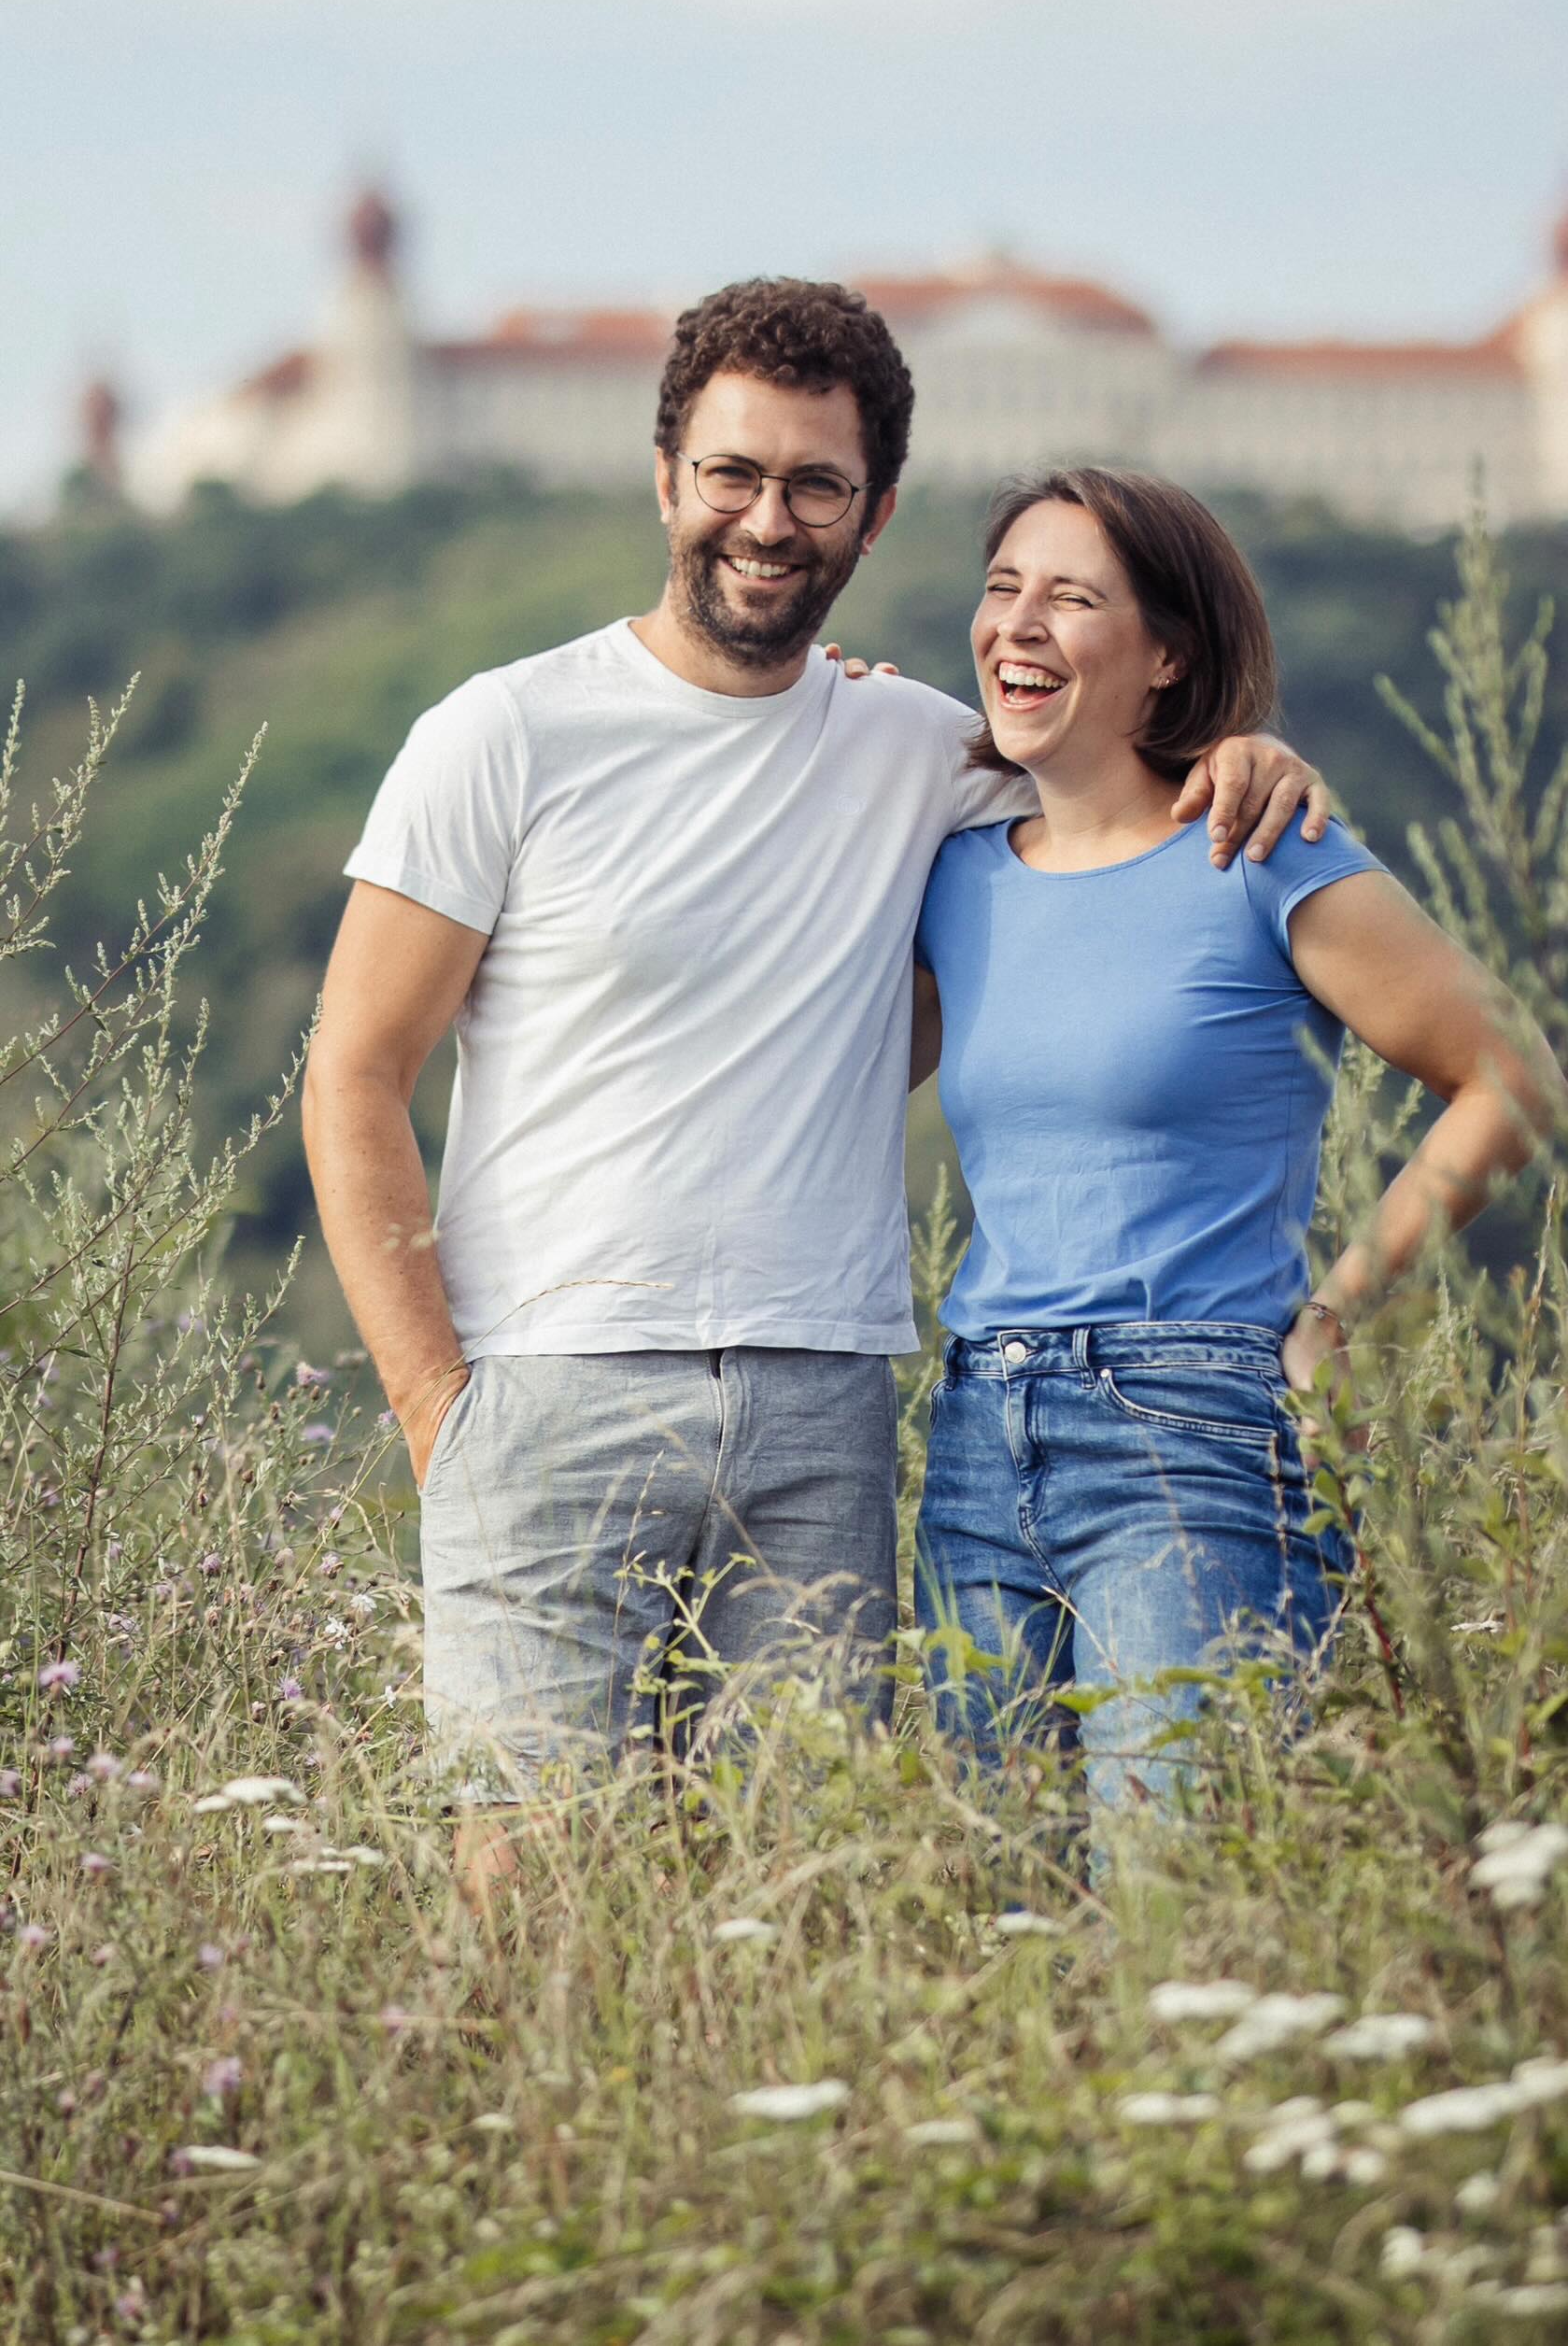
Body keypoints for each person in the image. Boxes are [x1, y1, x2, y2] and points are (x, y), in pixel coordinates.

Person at [302, 286, 1326, 1840]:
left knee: (796, 1904)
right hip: (541, 1391)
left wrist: (1243, 753)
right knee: (524, 1905)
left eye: (813, 488)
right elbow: (354, 1070)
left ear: (873, 515)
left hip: (823, 1408)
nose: (765, 520)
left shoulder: (927, 753)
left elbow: (1116, 808)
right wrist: (438, 1409)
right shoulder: (502, 736)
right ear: (666, 478)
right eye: (732, 475)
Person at [911, 464, 1564, 1821]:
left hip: (1192, 1431)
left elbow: (1514, 1079)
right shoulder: (954, 869)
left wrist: (1328, 1319)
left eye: (1071, 598)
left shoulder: (1257, 844)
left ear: (1165, 656)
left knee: (1173, 1898)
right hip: (979, 1428)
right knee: (1005, 1917)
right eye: (1001, 588)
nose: (1017, 624)